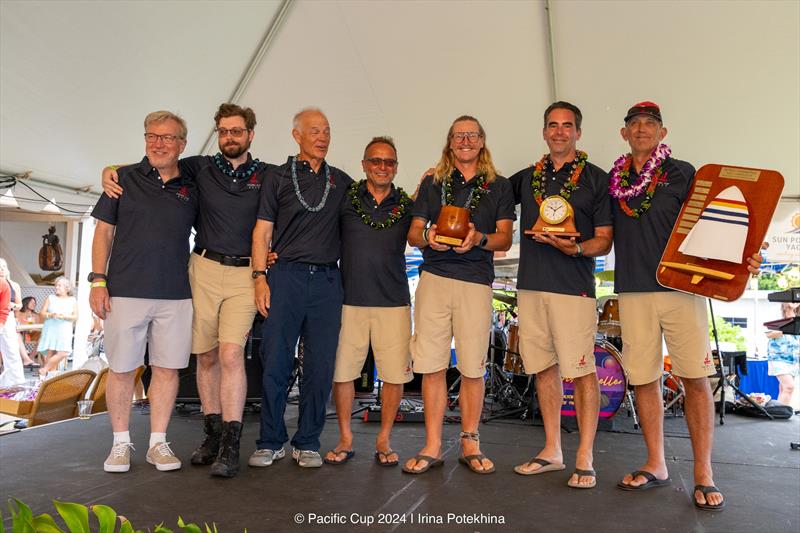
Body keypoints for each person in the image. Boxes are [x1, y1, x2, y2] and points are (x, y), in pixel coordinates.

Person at [102, 103, 273, 478]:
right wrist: (108, 170)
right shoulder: (199, 167)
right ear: (217, 134)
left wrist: (274, 256)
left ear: (250, 135)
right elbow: (152, 161)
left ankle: (229, 444)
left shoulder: (269, 174)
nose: (230, 136)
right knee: (205, 357)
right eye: (224, 130)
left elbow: (290, 211)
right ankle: (210, 436)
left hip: (240, 275)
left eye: (237, 131)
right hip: (201, 269)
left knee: (230, 355)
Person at [611, 101, 764, 511]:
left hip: (682, 287)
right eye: (635, 124)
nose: (642, 129)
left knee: (695, 377)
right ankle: (656, 463)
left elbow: (719, 225)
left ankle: (703, 472)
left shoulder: (684, 172)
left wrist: (747, 255)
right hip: (631, 290)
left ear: (663, 133)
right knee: (643, 379)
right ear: (624, 133)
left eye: (650, 124)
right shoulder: (613, 179)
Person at [508, 102, 612, 488]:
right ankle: (552, 450)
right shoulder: (527, 177)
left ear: (578, 133)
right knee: (543, 368)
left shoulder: (596, 179)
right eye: (552, 125)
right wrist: (442, 175)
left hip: (574, 288)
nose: (559, 132)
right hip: (531, 285)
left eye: (567, 126)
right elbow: (488, 190)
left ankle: (584, 456)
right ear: (544, 131)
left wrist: (577, 248)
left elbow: (604, 240)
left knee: (582, 371)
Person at [404, 115, 514, 474]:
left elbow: (504, 239)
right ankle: (433, 445)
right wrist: (429, 238)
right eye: (458, 135)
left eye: (471, 135)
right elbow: (414, 233)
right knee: (432, 364)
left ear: (481, 141)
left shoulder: (498, 186)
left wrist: (478, 239)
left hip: (476, 282)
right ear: (450, 142)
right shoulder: (433, 182)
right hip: (434, 278)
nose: (465, 141)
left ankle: (470, 441)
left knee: (472, 366)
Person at [89, 110, 197, 473]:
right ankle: (120, 445)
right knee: (121, 369)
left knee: (167, 370)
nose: (158, 143)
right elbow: (103, 232)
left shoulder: (194, 183)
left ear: (182, 143)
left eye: (167, 138)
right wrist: (97, 281)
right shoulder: (123, 179)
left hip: (177, 293)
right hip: (124, 291)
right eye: (152, 136)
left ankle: (157, 444)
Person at [250, 108, 353, 468]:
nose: (322, 137)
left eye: (326, 131)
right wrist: (259, 276)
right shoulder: (276, 177)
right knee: (276, 360)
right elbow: (262, 230)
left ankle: (307, 440)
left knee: (321, 366)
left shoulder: (341, 181)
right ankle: (270, 440)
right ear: (297, 135)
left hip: (327, 280)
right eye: (314, 131)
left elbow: (373, 208)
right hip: (286, 277)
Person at [324, 136, 414, 466]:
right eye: (375, 161)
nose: (382, 167)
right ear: (364, 165)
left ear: (395, 167)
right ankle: (346, 438)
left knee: (394, 376)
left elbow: (424, 231)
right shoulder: (344, 200)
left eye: (389, 162)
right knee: (344, 372)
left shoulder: (407, 205)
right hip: (349, 300)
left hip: (394, 302)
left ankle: (384, 439)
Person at [36, 276, 77, 377]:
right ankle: (48, 381)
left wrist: (65, 317)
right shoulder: (50, 298)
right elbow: (41, 313)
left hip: (64, 329)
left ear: (67, 288)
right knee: (51, 354)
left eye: (59, 285)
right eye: (56, 285)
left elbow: (75, 316)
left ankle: (44, 370)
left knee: (64, 352)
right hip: (50, 328)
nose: (56, 287)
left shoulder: (72, 300)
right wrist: (51, 315)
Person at [766, 303, 800, 406]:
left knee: (784, 388)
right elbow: (769, 333)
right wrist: (787, 328)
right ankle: (781, 413)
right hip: (778, 357)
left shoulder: (797, 316)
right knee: (789, 387)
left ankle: (780, 414)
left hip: (793, 358)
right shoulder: (777, 313)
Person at [0, 262, 24, 387]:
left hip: (8, 316)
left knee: (12, 350)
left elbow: (19, 305)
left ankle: (16, 382)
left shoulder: (14, 285)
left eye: (3, 267)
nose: (1, 270)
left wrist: (12, 305)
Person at [17, 296, 42, 369]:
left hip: (32, 335)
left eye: (35, 303)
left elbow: (37, 327)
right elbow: (17, 324)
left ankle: (31, 356)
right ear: (26, 303)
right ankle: (27, 357)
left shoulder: (36, 315)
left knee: (43, 338)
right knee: (18, 335)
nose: (34, 304)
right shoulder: (19, 313)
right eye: (32, 302)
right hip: (21, 334)